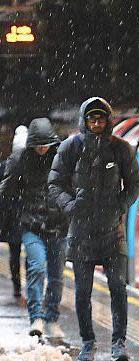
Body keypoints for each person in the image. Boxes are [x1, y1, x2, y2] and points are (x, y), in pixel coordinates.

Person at [48, 97, 139, 361]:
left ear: (108, 120)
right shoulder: (71, 148)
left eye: (101, 118)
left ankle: (118, 343)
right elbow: (55, 183)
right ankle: (87, 343)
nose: (97, 123)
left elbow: (135, 182)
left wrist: (120, 205)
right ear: (85, 121)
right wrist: (71, 206)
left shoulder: (121, 149)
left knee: (118, 288)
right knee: (82, 292)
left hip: (114, 232)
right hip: (81, 233)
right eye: (92, 119)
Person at [0, 118, 67, 337]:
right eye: (38, 145)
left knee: (56, 276)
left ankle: (52, 318)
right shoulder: (20, 159)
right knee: (36, 268)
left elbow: (73, 187)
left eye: (45, 144)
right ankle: (36, 317)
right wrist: (15, 213)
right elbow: (7, 189)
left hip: (58, 226)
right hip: (32, 225)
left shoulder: (62, 158)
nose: (42, 149)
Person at [0, 125, 27, 299]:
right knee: (30, 253)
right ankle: (23, 285)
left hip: (12, 216)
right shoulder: (34, 168)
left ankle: (18, 285)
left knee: (15, 253)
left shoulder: (4, 166)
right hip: (25, 216)